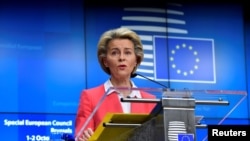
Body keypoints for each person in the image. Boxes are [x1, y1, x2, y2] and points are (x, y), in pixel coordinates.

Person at [74, 27, 157, 141]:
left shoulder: (150, 101)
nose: (122, 58)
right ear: (105, 61)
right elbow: (81, 136)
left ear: (136, 60)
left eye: (127, 52)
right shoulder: (90, 97)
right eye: (115, 53)